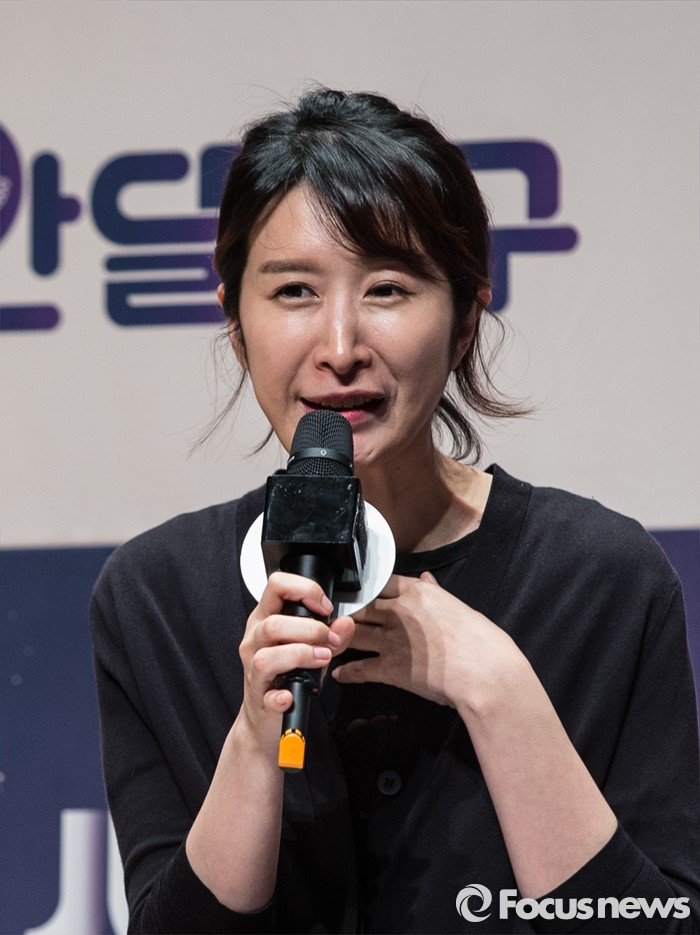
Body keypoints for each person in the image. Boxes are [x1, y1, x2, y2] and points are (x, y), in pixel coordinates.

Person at [90, 88, 700, 934]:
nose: (340, 347)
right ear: (235, 323)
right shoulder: (156, 597)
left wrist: (498, 691)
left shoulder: (602, 580)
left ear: (464, 320)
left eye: (386, 288)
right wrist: (256, 740)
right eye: (294, 291)